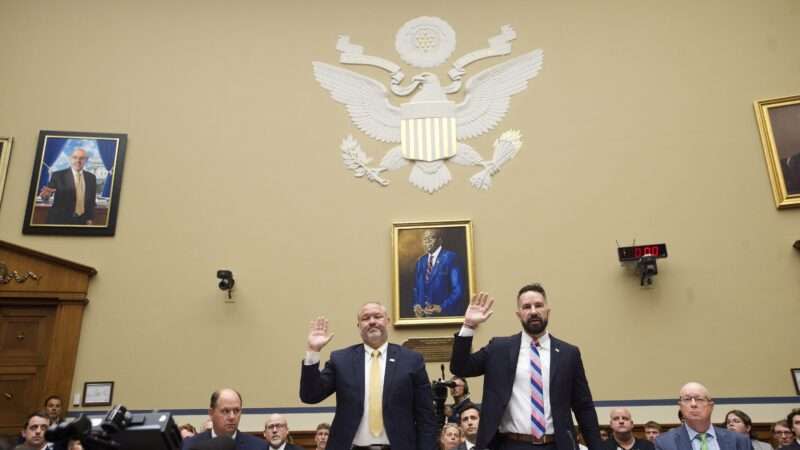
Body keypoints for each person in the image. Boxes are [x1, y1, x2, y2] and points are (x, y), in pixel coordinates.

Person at [449, 285, 603, 450]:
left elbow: (583, 407)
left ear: (548, 310)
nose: (533, 311)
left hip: (556, 445)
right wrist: (468, 326)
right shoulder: (499, 349)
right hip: (511, 444)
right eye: (526, 307)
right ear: (519, 314)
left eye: (538, 305)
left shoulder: (568, 354)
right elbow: (460, 368)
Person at [300, 302, 437, 450]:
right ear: (359, 325)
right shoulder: (341, 360)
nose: (372, 321)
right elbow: (310, 395)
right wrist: (313, 351)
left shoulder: (411, 360)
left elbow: (426, 416)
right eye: (365, 318)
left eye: (377, 316)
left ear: (387, 321)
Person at [654, 382, 750, 450]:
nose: (693, 404)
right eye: (687, 399)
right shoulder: (665, 443)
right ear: (680, 407)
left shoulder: (739, 440)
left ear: (711, 406)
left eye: (699, 399)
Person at [180, 388, 268, 450]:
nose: (232, 417)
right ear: (211, 413)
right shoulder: (191, 445)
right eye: (225, 411)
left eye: (236, 410)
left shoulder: (258, 446)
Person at [412, 229, 466, 317]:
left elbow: (458, 291)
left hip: (444, 315)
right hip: (423, 317)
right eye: (425, 239)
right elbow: (416, 288)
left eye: (431, 238)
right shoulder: (421, 261)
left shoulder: (451, 258)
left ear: (440, 241)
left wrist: (442, 307)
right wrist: (417, 304)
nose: (427, 241)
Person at [39, 148, 97, 225]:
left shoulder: (91, 177)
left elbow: (91, 201)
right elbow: (47, 195)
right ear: (70, 159)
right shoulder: (58, 175)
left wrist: (90, 219)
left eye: (81, 158)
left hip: (82, 221)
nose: (78, 161)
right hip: (60, 220)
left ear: (86, 160)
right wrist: (45, 195)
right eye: (75, 157)